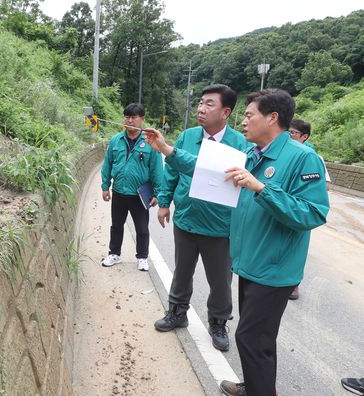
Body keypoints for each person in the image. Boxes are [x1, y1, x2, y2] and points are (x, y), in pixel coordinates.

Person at [142, 89, 330, 396]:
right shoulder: (255, 153)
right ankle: (255, 386)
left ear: (272, 118)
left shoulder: (302, 158)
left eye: (249, 114)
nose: (244, 121)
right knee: (259, 340)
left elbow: (313, 213)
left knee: (250, 338)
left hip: (273, 268)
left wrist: (260, 188)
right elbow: (204, 166)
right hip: (252, 263)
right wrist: (166, 149)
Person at [154, 84, 248, 352]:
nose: (201, 108)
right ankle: (177, 312)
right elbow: (172, 172)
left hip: (219, 227)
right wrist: (164, 203)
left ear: (226, 112)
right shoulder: (187, 137)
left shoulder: (239, 144)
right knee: (182, 272)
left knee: (220, 280)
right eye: (200, 103)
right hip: (185, 219)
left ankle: (218, 322)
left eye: (209, 104)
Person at [101, 103, 163, 271]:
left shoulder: (150, 141)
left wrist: (157, 193)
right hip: (119, 191)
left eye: (133, 117)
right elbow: (107, 164)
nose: (129, 120)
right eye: (127, 116)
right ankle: (114, 253)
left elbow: (157, 169)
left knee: (142, 228)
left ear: (142, 119)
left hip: (140, 194)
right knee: (116, 225)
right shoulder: (116, 140)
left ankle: (142, 257)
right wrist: (105, 186)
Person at [287, 119, 331, 300]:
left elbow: (325, 186)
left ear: (304, 137)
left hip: (298, 211)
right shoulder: (282, 153)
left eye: (293, 133)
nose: (289, 136)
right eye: (287, 132)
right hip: (280, 209)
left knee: (295, 249)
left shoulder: (311, 157)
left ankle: (294, 285)